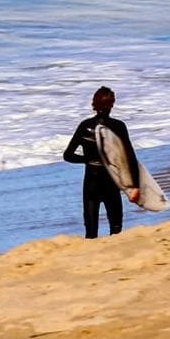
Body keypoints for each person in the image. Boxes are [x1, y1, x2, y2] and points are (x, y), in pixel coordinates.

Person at [62, 85, 142, 237]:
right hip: (111, 184)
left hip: (90, 184)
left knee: (91, 233)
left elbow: (68, 155)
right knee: (116, 229)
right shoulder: (118, 126)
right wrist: (135, 187)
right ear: (112, 104)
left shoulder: (85, 126)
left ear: (94, 104)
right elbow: (130, 157)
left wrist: (88, 160)